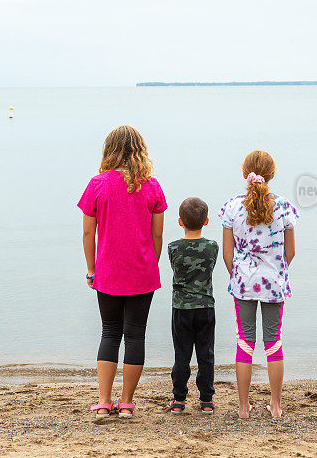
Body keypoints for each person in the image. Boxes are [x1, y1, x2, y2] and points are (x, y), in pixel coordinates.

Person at [77, 125, 167, 420]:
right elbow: (157, 237)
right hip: (142, 272)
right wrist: (150, 265)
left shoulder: (97, 184)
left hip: (108, 272)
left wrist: (92, 270)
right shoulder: (152, 185)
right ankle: (126, 402)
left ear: (110, 150)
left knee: (110, 332)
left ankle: (104, 401)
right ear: (140, 150)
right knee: (136, 336)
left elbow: (88, 233)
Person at [218, 150, 298, 419]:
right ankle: (275, 406)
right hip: (274, 282)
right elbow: (291, 252)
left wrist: (237, 275)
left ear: (245, 173)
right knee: (273, 342)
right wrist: (276, 271)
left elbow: (227, 253)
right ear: (272, 174)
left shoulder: (232, 206)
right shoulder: (284, 206)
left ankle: (243, 408)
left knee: (245, 341)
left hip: (243, 282)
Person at [166, 197, 218, 415]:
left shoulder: (174, 247)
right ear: (206, 221)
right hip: (205, 306)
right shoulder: (212, 247)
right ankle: (206, 399)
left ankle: (179, 399)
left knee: (182, 353)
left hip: (181, 308)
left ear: (180, 221)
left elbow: (175, 270)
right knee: (205, 354)